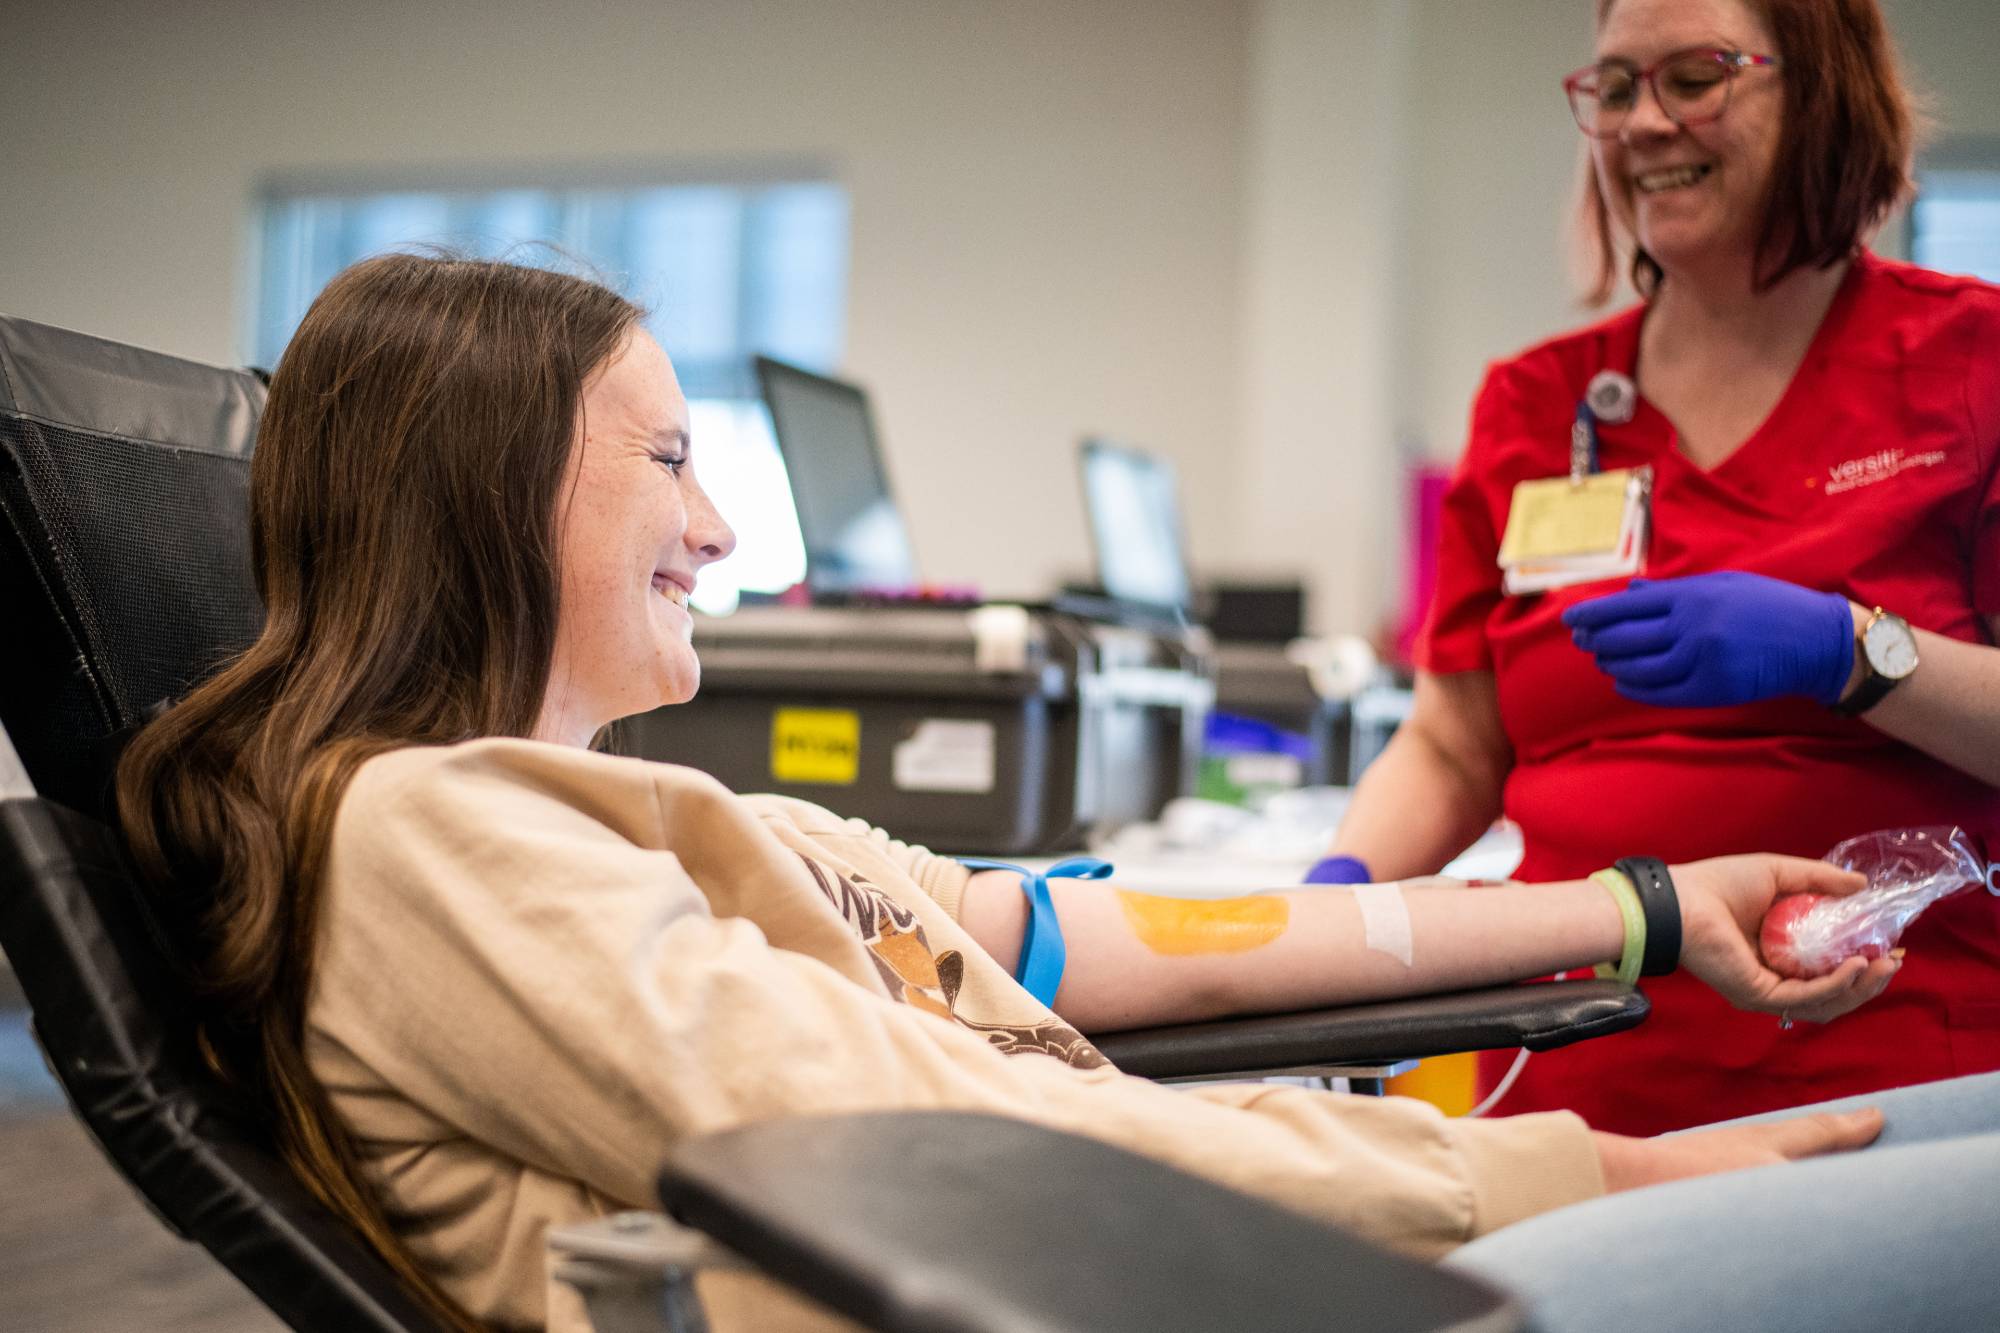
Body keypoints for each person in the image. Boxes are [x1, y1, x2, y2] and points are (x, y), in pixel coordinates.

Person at [115, 253, 1976, 1333]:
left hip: (1228, 1259)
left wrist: (1644, 907)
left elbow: (1090, 929)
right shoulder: (434, 838)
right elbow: (928, 1137)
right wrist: (1580, 1167)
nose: (719, 523)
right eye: (669, 459)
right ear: (488, 491)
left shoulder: (649, 823)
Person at [1314, 0, 2000, 1135]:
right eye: (1615, 88)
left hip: (1885, 1083)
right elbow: (1452, 738)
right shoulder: (1537, 407)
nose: (1640, 123)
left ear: (1822, 88)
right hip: (1574, 1077)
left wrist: (1850, 651)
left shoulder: (1970, 364)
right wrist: (1335, 896)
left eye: (1693, 76)